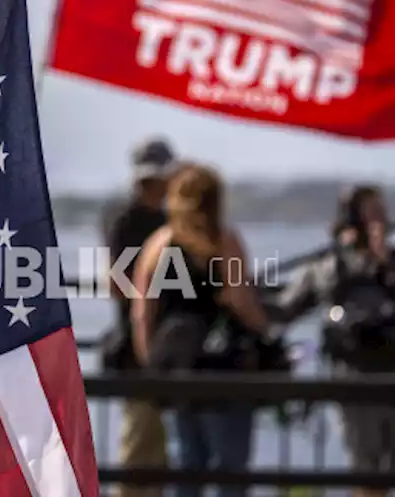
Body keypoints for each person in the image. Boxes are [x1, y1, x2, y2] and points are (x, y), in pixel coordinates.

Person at [131, 163, 275, 497]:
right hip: (223, 369)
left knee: (186, 464)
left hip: (174, 369)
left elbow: (142, 313)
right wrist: (267, 332)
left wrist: (152, 363)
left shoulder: (157, 244)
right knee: (230, 468)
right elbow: (241, 299)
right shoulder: (222, 240)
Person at [271, 185, 396, 497]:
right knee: (366, 468)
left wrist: (385, 263)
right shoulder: (329, 266)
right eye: (371, 212)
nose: (379, 219)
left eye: (382, 211)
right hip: (355, 378)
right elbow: (285, 309)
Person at [99, 137, 175, 497]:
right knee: (139, 447)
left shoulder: (167, 220)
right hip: (139, 348)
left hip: (169, 349)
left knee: (156, 451)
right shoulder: (127, 220)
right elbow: (118, 283)